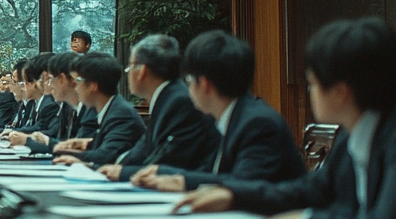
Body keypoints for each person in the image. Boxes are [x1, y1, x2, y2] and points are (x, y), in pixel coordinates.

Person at [175, 18, 396, 219]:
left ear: (340, 92)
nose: (310, 92)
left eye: (312, 84)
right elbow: (311, 190)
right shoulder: (362, 127)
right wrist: (235, 194)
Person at [131, 31, 305, 191]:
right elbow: (212, 173)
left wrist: (183, 180)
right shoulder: (233, 116)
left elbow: (242, 185)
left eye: (190, 79)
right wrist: (167, 173)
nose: (187, 88)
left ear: (205, 84)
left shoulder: (257, 123)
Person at [96, 34, 220, 182]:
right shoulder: (166, 97)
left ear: (142, 71)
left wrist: (122, 172)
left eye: (129, 67)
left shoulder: (178, 102)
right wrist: (104, 167)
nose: (127, 73)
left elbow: (167, 161)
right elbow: (142, 151)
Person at [50, 53, 145, 166]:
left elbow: (106, 155)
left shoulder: (121, 113)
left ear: (93, 86)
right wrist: (87, 144)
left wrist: (67, 154)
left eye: (78, 81)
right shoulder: (109, 108)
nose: (75, 87)